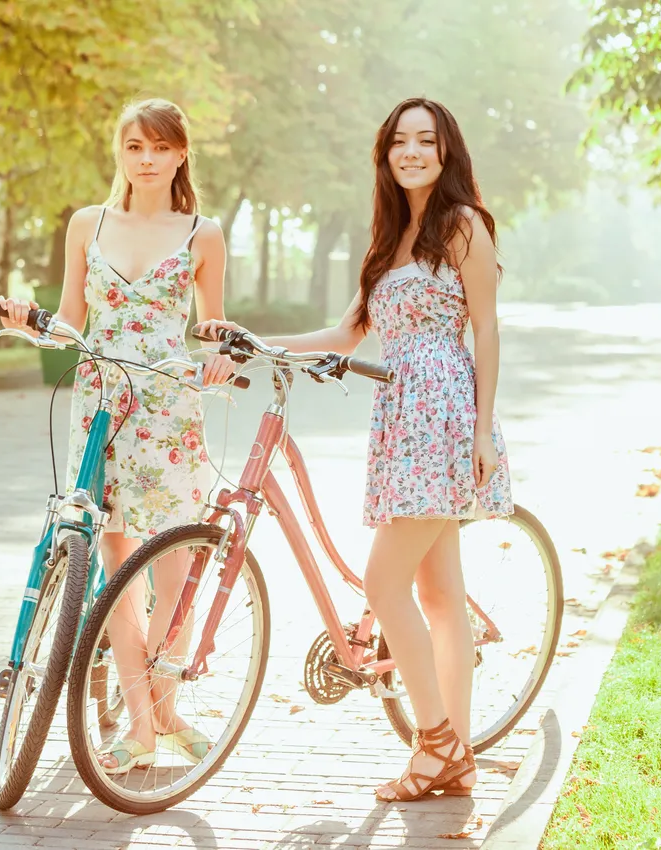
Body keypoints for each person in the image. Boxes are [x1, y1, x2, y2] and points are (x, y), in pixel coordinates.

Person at [196, 97, 512, 801]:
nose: (412, 152)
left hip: (445, 414)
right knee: (437, 593)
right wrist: (254, 343)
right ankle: (452, 756)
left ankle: (434, 743)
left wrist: (484, 429)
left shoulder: (462, 225)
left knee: (382, 584)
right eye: (400, 142)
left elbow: (487, 330)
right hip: (399, 413)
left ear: (446, 151)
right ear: (385, 153)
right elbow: (345, 337)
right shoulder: (388, 238)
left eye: (426, 142)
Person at [0, 97, 234, 775]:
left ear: (181, 154)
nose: (148, 159)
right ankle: (141, 725)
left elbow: (211, 326)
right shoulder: (87, 223)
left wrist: (222, 357)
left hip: (167, 409)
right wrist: (26, 322)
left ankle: (164, 708)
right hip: (100, 405)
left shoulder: (204, 233)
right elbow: (72, 318)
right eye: (135, 147)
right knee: (116, 571)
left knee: (174, 566)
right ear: (120, 153)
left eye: (161, 147)